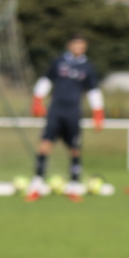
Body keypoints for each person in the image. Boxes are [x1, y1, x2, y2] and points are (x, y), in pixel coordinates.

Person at [27, 37, 104, 200]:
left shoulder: (88, 67)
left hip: (73, 112)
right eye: (75, 44)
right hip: (56, 110)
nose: (78, 47)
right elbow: (46, 80)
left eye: (81, 45)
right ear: (69, 45)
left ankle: (74, 186)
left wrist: (98, 112)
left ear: (85, 47)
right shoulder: (58, 62)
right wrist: (37, 100)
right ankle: (37, 183)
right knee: (45, 145)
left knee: (74, 149)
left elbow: (93, 90)